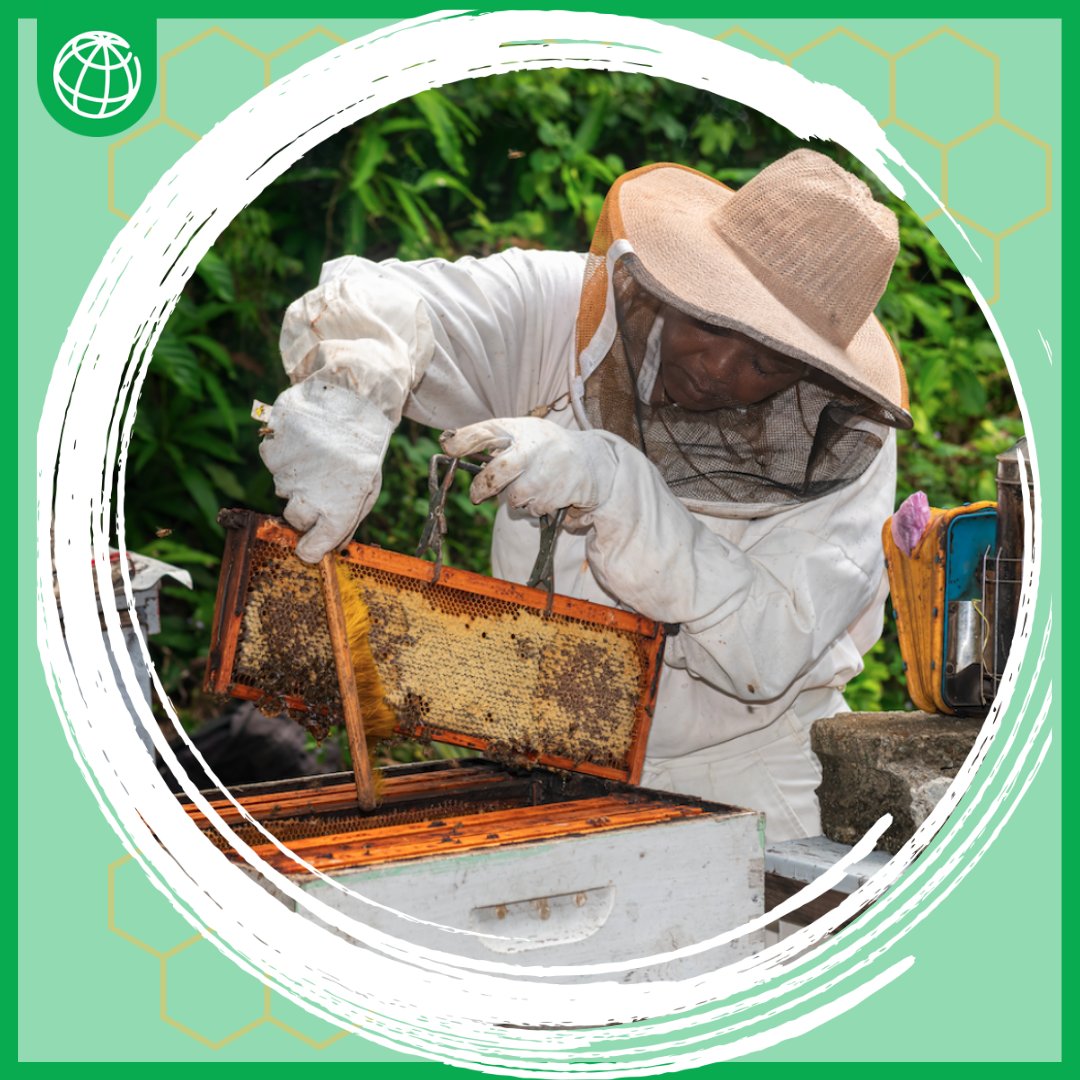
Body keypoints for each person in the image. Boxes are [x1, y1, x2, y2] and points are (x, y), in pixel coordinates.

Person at [258, 148, 911, 843]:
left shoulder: (841, 440)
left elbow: (765, 651)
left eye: (765, 362)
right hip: (542, 758)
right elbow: (378, 302)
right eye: (711, 323)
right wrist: (354, 394)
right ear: (678, 279)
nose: (718, 369)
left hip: (748, 785)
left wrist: (611, 485)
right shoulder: (564, 312)